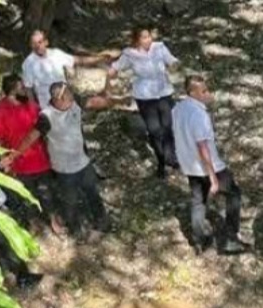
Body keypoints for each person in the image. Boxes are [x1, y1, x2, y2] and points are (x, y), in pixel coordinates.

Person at [1, 82, 114, 238]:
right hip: (65, 170)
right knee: (70, 201)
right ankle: (77, 231)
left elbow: (95, 102)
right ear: (58, 100)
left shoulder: (75, 103)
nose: (71, 99)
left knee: (92, 193)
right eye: (68, 97)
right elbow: (31, 138)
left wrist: (112, 96)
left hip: (83, 162)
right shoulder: (47, 117)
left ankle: (102, 223)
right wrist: (13, 156)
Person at [172, 74, 246, 254]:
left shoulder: (178, 108)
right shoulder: (199, 115)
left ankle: (199, 241)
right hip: (210, 167)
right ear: (192, 92)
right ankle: (230, 238)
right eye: (204, 91)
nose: (208, 94)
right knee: (233, 193)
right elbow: (203, 146)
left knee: (199, 202)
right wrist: (213, 177)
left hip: (190, 166)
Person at [0, 73, 63, 235]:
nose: (26, 90)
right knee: (27, 197)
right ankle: (33, 223)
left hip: (41, 160)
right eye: (22, 88)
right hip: (19, 165)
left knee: (47, 193)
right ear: (13, 91)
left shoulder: (30, 104)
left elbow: (41, 127)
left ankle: (54, 220)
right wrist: (3, 160)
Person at [107, 26, 180, 178]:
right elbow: (116, 67)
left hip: (164, 91)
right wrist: (110, 76)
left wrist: (174, 65)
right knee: (154, 130)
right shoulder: (130, 54)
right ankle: (160, 162)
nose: (148, 40)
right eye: (144, 37)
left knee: (168, 126)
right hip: (145, 96)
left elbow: (171, 59)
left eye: (149, 36)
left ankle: (171, 158)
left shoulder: (159, 47)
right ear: (137, 40)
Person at [21, 29, 114, 110]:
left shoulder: (56, 54)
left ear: (46, 42)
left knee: (103, 102)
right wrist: (33, 109)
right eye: (34, 43)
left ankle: (117, 100)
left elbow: (79, 60)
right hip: (51, 104)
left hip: (67, 94)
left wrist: (100, 58)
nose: (38, 46)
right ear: (31, 45)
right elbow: (28, 89)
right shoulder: (29, 63)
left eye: (40, 42)